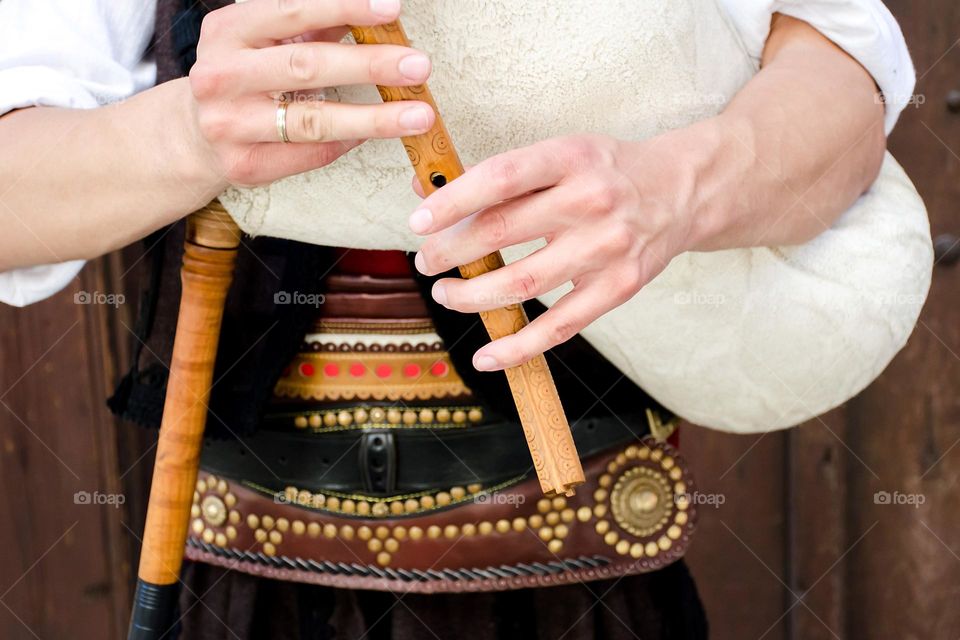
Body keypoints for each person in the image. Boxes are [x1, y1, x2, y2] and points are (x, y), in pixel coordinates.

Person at [0, 0, 931, 638]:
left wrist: (675, 188)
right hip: (243, 586)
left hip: (585, 578)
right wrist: (183, 137)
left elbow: (847, 73)